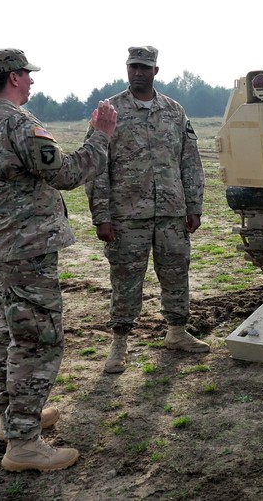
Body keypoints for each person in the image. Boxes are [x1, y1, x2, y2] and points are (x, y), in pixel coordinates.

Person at [0, 48, 117, 472]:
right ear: (13, 78)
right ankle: (25, 444)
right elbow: (65, 174)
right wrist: (100, 135)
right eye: (27, 76)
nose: (32, 82)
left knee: (12, 333)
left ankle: (12, 421)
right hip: (25, 247)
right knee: (38, 339)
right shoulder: (16, 122)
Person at [85, 45, 208, 375]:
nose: (138, 72)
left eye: (144, 67)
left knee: (176, 272)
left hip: (171, 212)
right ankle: (120, 343)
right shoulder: (109, 111)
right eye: (133, 67)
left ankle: (177, 332)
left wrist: (194, 205)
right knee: (125, 280)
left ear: (155, 71)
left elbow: (190, 161)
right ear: (127, 69)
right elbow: (97, 165)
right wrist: (102, 216)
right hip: (127, 215)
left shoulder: (174, 111)